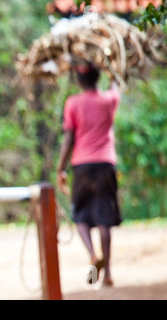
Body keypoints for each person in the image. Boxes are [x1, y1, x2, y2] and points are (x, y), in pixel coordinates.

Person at [56, 63, 122, 287]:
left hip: (82, 165)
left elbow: (68, 139)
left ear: (79, 81)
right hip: (105, 164)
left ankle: (93, 256)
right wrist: (112, 66)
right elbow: (116, 85)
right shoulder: (109, 100)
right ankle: (109, 274)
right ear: (97, 78)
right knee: (105, 219)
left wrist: (60, 168)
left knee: (80, 215)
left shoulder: (73, 103)